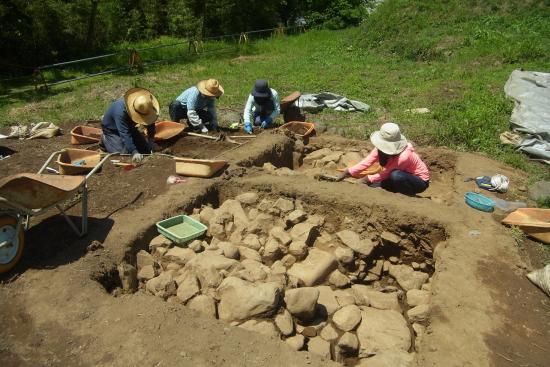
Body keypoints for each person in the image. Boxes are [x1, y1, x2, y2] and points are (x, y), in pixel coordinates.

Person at [336, 122, 430, 196]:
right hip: (396, 176)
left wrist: (365, 179)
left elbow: (387, 173)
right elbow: (367, 162)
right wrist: (348, 172)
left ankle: (408, 197)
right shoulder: (380, 148)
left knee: (395, 175)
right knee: (372, 186)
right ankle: (396, 191)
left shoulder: (404, 156)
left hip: (418, 181)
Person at [100, 88, 159, 164]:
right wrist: (134, 152)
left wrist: (151, 139)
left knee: (145, 149)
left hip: (130, 127)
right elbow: (124, 133)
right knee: (125, 155)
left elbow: (150, 121)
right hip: (113, 130)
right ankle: (105, 138)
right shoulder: (120, 112)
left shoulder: (146, 105)